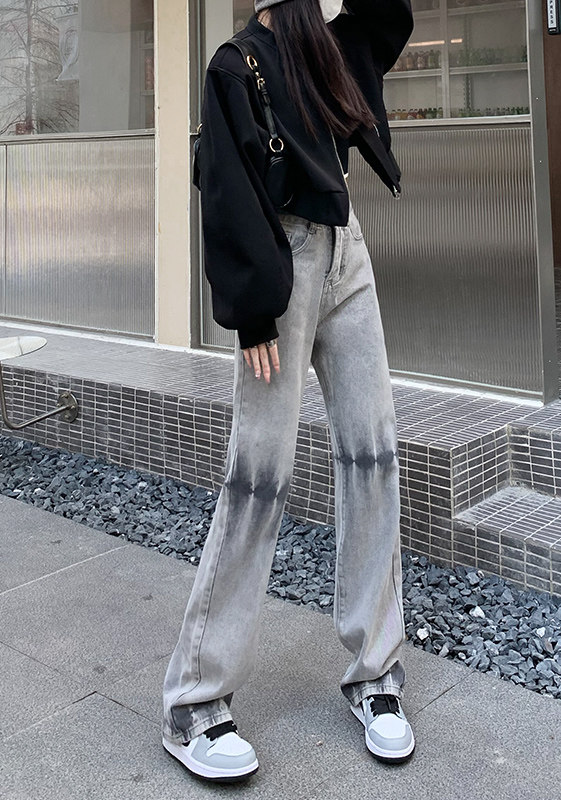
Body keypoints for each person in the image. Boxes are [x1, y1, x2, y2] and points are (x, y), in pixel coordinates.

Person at [162, 0, 415, 783]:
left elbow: (390, 16)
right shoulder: (235, 64)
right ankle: (194, 700)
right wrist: (252, 315)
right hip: (282, 265)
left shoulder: (328, 45)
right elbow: (226, 189)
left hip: (347, 255)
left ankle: (375, 672)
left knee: (374, 456)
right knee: (259, 477)